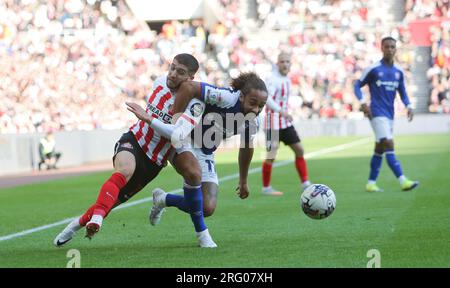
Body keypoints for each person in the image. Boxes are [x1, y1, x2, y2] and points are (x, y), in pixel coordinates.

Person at [53, 53, 217, 248]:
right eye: (172, 67)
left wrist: (148, 118)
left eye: (180, 72)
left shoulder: (195, 103)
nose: (172, 74)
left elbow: (178, 134)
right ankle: (95, 219)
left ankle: (75, 225)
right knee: (124, 171)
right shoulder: (159, 82)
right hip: (135, 141)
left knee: (111, 203)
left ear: (191, 79)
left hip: (155, 160)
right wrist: (148, 121)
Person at [127, 72, 268, 226]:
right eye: (253, 103)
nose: (256, 109)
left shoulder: (253, 122)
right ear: (241, 96)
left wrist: (243, 181)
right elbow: (188, 86)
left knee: (207, 208)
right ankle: (202, 234)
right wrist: (176, 122)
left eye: (261, 106)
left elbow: (246, 148)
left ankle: (163, 199)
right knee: (193, 175)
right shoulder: (226, 97)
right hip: (184, 139)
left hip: (205, 150)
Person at [354, 36, 419, 192]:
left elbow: (402, 91)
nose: (390, 49)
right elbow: (357, 85)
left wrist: (408, 105)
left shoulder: (398, 72)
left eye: (392, 47)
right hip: (376, 112)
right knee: (389, 144)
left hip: (389, 114)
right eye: (387, 46)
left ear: (396, 49)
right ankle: (403, 181)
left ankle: (371, 183)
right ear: (381, 48)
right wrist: (363, 103)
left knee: (380, 148)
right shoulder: (374, 69)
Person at [260, 52, 311, 196]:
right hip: (272, 123)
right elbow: (267, 99)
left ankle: (305, 182)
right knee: (271, 155)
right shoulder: (272, 79)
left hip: (284, 122)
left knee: (299, 150)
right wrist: (281, 111)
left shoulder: (287, 79)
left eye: (288, 62)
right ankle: (266, 188)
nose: (285, 64)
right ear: (277, 64)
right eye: (282, 62)